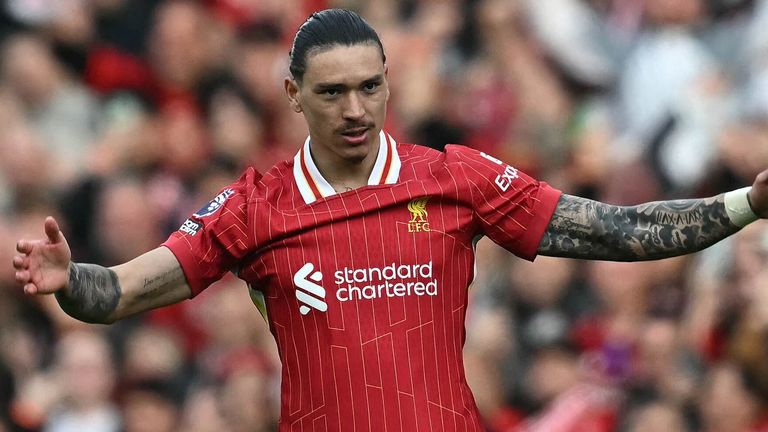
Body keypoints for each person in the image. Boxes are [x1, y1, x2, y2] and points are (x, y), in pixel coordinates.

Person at [11, 8, 768, 432]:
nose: (356, 110)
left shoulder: (456, 178)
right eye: (332, 92)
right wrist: (69, 281)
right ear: (293, 94)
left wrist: (746, 204)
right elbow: (123, 290)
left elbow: (619, 231)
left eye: (370, 87)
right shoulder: (254, 206)